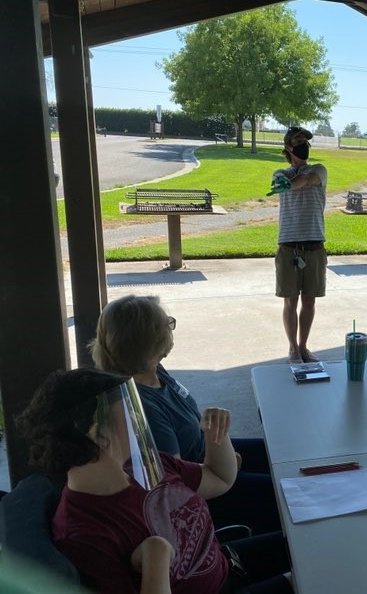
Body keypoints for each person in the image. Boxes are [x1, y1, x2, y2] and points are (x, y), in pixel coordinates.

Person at [16, 367, 292, 594]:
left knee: (325, 548)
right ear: (99, 436)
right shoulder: (83, 534)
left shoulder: (147, 465)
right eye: (127, 412)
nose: (138, 417)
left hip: (226, 564)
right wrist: (156, 556)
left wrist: (216, 435)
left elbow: (219, 479)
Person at [89, 294, 281, 535]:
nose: (171, 329)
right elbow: (178, 486)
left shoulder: (153, 370)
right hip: (208, 489)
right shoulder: (143, 407)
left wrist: (226, 454)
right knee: (285, 495)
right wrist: (228, 461)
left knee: (282, 456)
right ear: (151, 341)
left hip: (211, 454)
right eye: (167, 325)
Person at [270, 126, 328, 364]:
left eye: (306, 140)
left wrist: (293, 183)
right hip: (288, 245)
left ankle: (304, 347)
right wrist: (287, 182)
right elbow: (283, 181)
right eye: (298, 141)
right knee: (290, 301)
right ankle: (293, 348)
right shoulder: (278, 173)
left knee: (309, 300)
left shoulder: (319, 170)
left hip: (314, 244)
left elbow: (306, 180)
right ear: (288, 147)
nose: (304, 144)